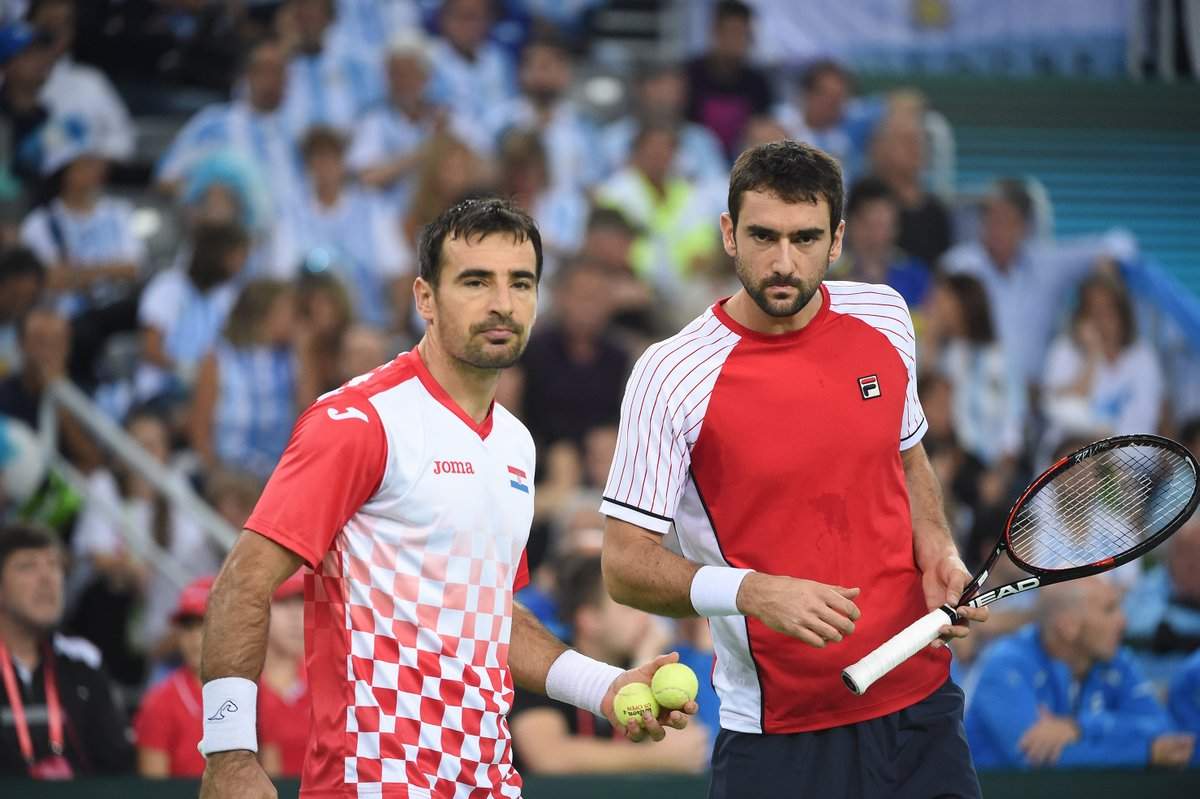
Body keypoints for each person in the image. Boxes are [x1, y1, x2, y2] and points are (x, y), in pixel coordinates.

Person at [196, 198, 697, 799]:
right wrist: (228, 753)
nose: (502, 303)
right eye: (475, 281)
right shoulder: (358, 421)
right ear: (425, 298)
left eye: (521, 283)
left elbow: (491, 617)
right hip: (373, 782)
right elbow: (243, 580)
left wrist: (603, 688)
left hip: (489, 783)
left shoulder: (515, 443)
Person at [599, 140, 987, 798]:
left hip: (921, 709)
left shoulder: (887, 316)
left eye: (805, 238)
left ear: (837, 240)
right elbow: (623, 565)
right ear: (729, 234)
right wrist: (752, 591)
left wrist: (938, 548)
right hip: (778, 737)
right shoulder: (670, 375)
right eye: (763, 236)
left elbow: (907, 455)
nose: (783, 262)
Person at [508, 554, 709, 775]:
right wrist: (654, 758)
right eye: (630, 607)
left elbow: (689, 750)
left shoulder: (648, 664)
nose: (646, 618)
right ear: (589, 619)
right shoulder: (543, 665)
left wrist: (646, 658)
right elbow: (548, 757)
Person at [965, 577, 1195, 769]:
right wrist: (1146, 753)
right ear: (1068, 626)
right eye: (1109, 610)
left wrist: (1079, 727)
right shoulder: (1006, 665)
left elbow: (1162, 728)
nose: (1123, 621)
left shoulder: (1116, 660)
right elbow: (1037, 759)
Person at [941, 178, 1136, 390]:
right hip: (971, 390)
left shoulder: (1047, 265)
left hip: (1034, 394)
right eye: (992, 219)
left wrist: (1105, 265)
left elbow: (1122, 244)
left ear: (1024, 227)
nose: (998, 229)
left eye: (1007, 221)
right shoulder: (959, 266)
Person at [0, 522, 134, 776]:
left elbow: (116, 766)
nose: (47, 578)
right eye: (27, 566)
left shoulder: (84, 661)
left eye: (54, 565)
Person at [156, 39, 303, 214]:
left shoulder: (296, 133)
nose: (272, 80)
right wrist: (205, 195)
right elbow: (165, 179)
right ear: (248, 75)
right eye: (265, 71)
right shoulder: (213, 124)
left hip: (293, 229)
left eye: (279, 72)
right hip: (234, 229)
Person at [189, 280, 300, 480]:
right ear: (263, 315)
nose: (295, 319)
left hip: (281, 475)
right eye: (288, 312)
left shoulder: (293, 358)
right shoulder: (218, 359)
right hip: (231, 474)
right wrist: (215, 475)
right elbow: (200, 429)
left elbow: (308, 412)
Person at [1040, 272, 1163, 445]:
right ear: (1080, 317)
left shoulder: (1143, 355)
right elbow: (1062, 408)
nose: (1101, 320)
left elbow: (1145, 419)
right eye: (1092, 312)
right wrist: (1092, 356)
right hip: (1074, 455)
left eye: (1108, 311)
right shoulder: (1064, 350)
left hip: (1130, 457)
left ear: (1123, 315)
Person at [133, 575, 214, 778]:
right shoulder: (160, 701)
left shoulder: (252, 690)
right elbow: (155, 788)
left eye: (204, 624)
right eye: (188, 626)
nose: (195, 637)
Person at [684, 0, 773, 159]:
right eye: (732, 32)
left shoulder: (758, 82)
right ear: (715, 33)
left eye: (743, 34)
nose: (737, 41)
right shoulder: (690, 76)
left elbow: (763, 130)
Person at [258, 571, 310, 778]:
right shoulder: (238, 685)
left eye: (304, 602)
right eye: (283, 603)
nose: (296, 616)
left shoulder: (336, 680)